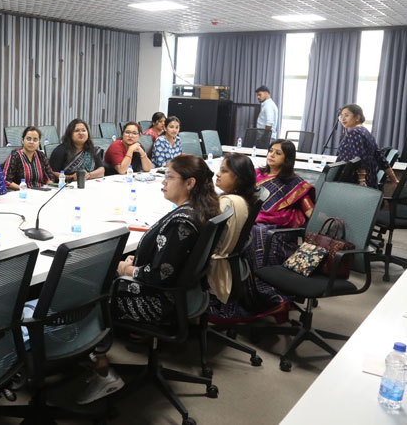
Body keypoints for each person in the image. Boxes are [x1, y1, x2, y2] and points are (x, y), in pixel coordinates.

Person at [77, 155, 220, 404]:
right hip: (185, 295)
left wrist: (127, 270)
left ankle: (101, 367)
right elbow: (171, 261)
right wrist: (141, 260)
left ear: (190, 183)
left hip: (158, 301)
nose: (163, 182)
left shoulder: (182, 223)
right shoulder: (198, 210)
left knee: (89, 290)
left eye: (170, 177)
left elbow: (159, 275)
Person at [246, 139, 314, 275]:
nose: (271, 155)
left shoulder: (294, 183)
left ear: (287, 159)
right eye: (270, 151)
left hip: (277, 227)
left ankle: (263, 276)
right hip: (252, 217)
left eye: (278, 153)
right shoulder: (256, 174)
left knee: (258, 231)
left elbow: (310, 212)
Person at [206, 153, 256, 304]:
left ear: (239, 178)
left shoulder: (227, 203)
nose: (217, 174)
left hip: (215, 267)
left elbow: (209, 242)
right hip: (231, 262)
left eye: (224, 171)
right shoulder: (240, 198)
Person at [336, 103, 398, 189]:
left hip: (353, 181)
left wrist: (361, 180)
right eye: (341, 116)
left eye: (346, 115)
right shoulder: (365, 131)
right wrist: (394, 180)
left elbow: (358, 157)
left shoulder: (354, 132)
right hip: (370, 179)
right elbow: (380, 156)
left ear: (357, 117)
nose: (343, 118)